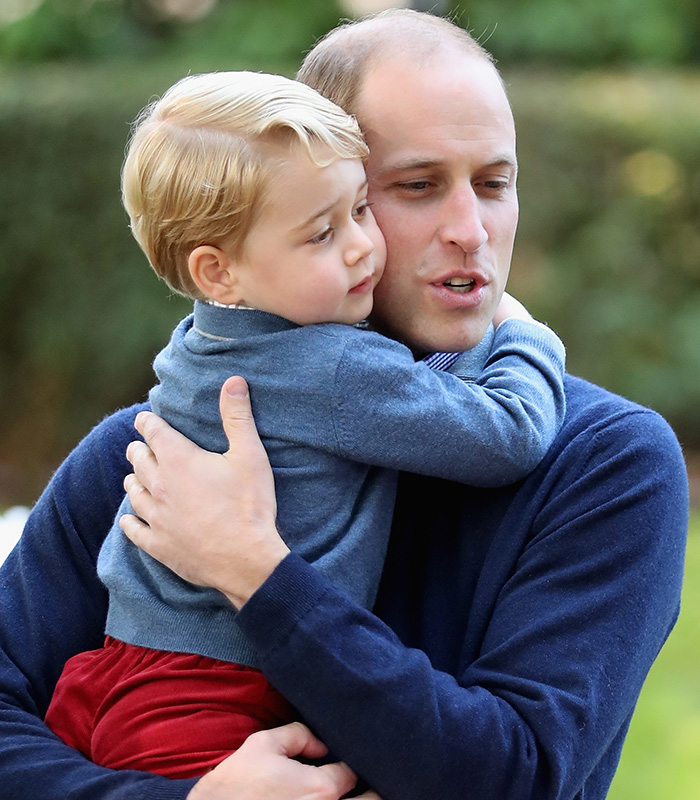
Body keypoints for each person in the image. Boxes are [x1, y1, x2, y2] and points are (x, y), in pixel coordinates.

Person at [0, 8, 688, 800]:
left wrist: (256, 571)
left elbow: (515, 777)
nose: (471, 229)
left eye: (495, 183)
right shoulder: (165, 458)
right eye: (415, 187)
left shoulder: (607, 463)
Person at [42, 67, 566, 779]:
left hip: (118, 673)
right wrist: (524, 334)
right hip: (209, 696)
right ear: (218, 272)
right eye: (322, 232)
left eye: (359, 210)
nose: (359, 247)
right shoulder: (331, 367)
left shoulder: (204, 344)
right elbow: (507, 434)